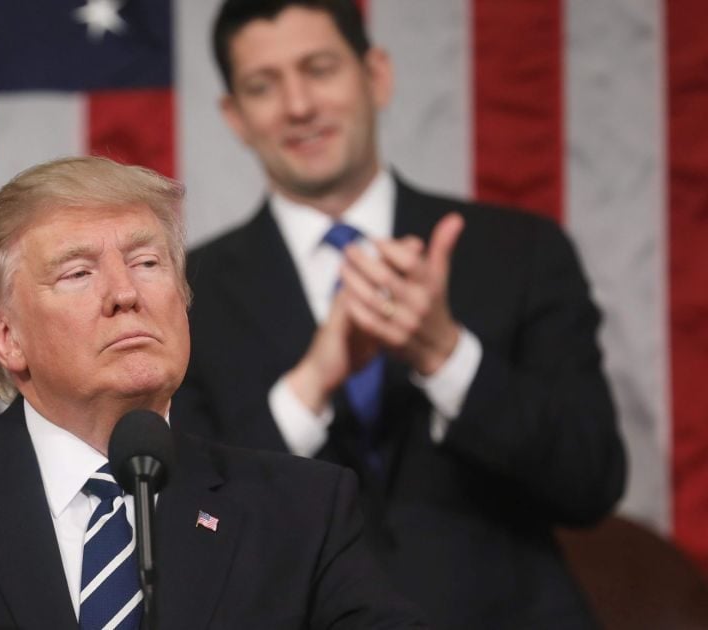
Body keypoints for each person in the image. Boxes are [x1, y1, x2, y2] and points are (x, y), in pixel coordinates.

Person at [0, 156, 425, 629]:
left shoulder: (303, 510)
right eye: (77, 273)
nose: (126, 293)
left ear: (183, 302)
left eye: (148, 263)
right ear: (7, 336)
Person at [171, 1, 627, 628]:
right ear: (235, 117)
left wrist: (447, 356)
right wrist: (308, 388)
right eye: (263, 85)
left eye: (320, 69)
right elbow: (185, 525)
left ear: (376, 76)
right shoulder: (184, 292)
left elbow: (591, 481)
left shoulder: (519, 252)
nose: (299, 105)